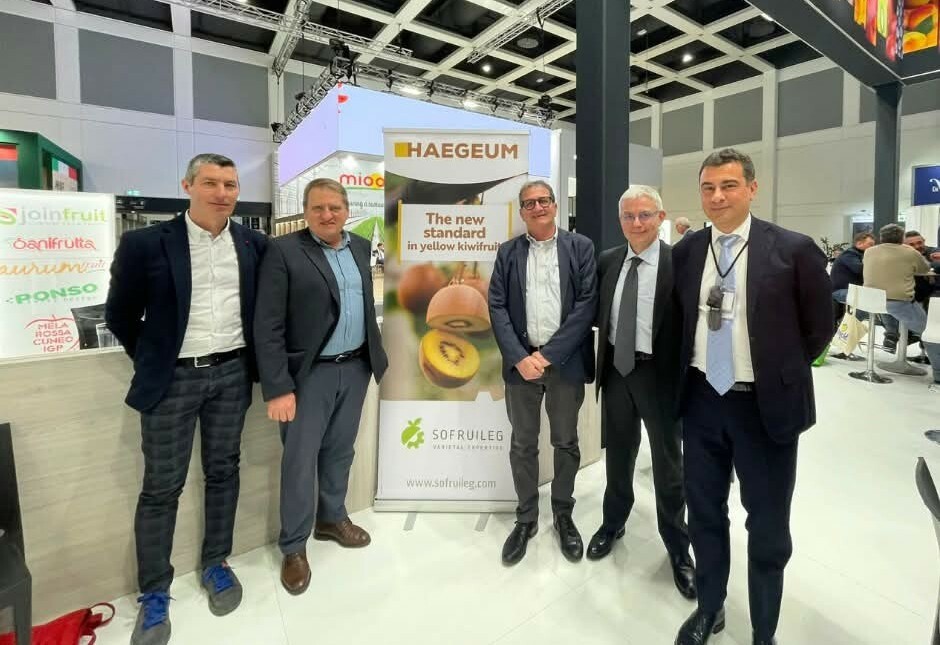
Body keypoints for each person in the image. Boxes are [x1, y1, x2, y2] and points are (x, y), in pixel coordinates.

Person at [105, 153, 268, 645]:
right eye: (211, 183)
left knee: (223, 472)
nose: (222, 193)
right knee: (161, 487)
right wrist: (154, 358)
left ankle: (216, 561)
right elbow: (119, 315)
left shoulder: (254, 245)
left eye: (230, 184)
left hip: (233, 373)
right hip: (172, 380)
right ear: (188, 185)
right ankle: (155, 592)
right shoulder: (145, 244)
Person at [671, 148, 832, 645]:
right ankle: (710, 608)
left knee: (766, 526)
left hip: (763, 410)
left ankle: (764, 631)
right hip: (701, 401)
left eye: (729, 186)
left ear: (752, 189)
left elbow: (819, 328)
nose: (717, 196)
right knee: (704, 513)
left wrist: (775, 371)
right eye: (708, 187)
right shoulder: (687, 251)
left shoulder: (794, 249)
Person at [254, 178, 388, 595]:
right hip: (309, 375)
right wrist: (278, 386)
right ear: (306, 212)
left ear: (347, 210)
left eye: (334, 207)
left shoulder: (360, 247)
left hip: (356, 367)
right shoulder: (283, 251)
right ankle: (294, 545)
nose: (327, 215)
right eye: (317, 208)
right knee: (300, 459)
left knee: (341, 450)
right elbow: (268, 324)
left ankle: (331, 517)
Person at [588, 185, 695, 600]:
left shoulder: (679, 263)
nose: (637, 223)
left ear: (661, 217)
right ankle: (613, 522)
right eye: (629, 216)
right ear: (620, 220)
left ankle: (678, 546)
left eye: (645, 215)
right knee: (618, 454)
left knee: (669, 464)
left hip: (660, 377)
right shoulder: (608, 260)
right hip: (617, 371)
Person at [489, 180, 598, 566]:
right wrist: (520, 357)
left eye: (543, 201)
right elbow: (497, 306)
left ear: (554, 205)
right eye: (529, 203)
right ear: (521, 211)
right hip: (521, 367)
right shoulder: (507, 252)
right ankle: (526, 518)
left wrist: (548, 355)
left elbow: (586, 305)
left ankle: (563, 515)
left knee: (566, 442)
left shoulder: (580, 247)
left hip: (565, 364)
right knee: (523, 444)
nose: (537, 207)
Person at [864, 224, 940, 390]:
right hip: (899, 301)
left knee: (904, 314)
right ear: (902, 239)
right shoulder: (909, 253)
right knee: (931, 334)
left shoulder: (869, 251)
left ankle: (893, 337)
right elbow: (924, 269)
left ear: (881, 237)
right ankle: (938, 375)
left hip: (872, 299)